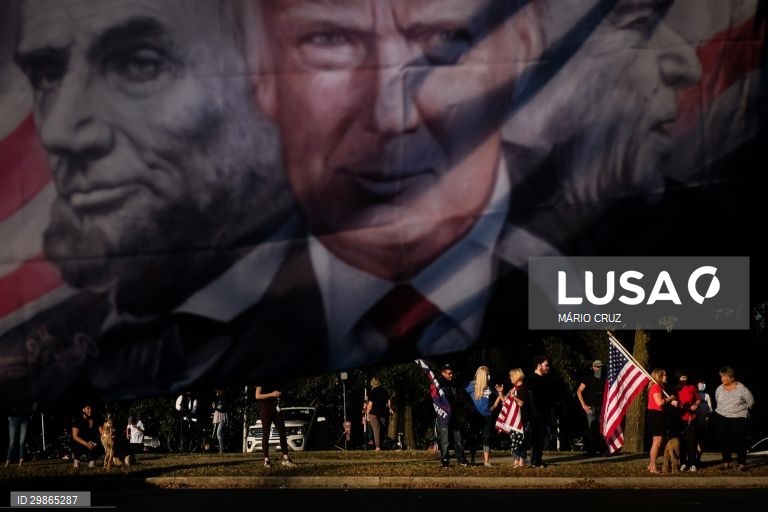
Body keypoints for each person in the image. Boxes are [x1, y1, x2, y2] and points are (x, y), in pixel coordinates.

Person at [9, 0, 300, 400]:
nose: (58, 130)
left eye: (139, 64)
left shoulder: (364, 313)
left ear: (271, 81)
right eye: (46, 74)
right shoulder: (28, 357)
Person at [248, 0, 544, 370]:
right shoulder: (178, 327)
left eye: (444, 38)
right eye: (330, 39)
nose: (390, 118)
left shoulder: (619, 255)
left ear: (525, 46)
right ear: (260, 67)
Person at [713, 366, 755, 471]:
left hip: (738, 418)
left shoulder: (742, 389)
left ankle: (741, 464)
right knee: (724, 441)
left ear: (732, 378)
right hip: (722, 417)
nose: (722, 379)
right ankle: (726, 463)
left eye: (725, 377)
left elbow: (751, 402)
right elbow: (717, 401)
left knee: (739, 441)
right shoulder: (719, 389)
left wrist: (742, 411)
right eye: (721, 377)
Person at [465, 365, 502, 467]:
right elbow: (463, 395)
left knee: (486, 437)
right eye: (487, 374)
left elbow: (499, 394)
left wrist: (494, 405)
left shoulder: (490, 385)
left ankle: (486, 460)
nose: (489, 376)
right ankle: (472, 459)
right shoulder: (472, 385)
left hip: (487, 415)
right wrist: (469, 407)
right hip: (476, 415)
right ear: (482, 375)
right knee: (474, 436)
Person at [435, 363, 470, 468]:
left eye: (451, 373)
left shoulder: (454, 384)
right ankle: (445, 459)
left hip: (455, 414)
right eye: (448, 373)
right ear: (443, 373)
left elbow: (460, 397)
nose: (451, 375)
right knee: (444, 439)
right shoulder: (438, 384)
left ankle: (461, 459)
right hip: (443, 415)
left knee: (458, 438)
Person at [254, 383, 295, 468]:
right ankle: (266, 459)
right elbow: (257, 396)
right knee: (266, 433)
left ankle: (285, 458)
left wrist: (279, 394)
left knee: (282, 431)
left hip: (276, 408)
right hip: (265, 409)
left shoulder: (277, 378)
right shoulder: (261, 380)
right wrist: (271, 394)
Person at [646, 368, 678, 474]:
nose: (666, 377)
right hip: (655, 415)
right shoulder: (656, 387)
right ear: (659, 376)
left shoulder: (657, 387)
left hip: (656, 415)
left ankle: (651, 464)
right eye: (664, 375)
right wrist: (671, 398)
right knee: (657, 442)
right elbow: (659, 402)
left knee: (658, 441)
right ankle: (653, 467)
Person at [526, 355, 553, 468]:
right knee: (536, 438)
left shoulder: (545, 380)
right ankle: (534, 461)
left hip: (543, 413)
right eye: (546, 365)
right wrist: (534, 414)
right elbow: (530, 398)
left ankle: (538, 459)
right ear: (539, 365)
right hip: (535, 414)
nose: (548, 368)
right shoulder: (531, 379)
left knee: (541, 438)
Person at [576, 360, 606, 456]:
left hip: (602, 406)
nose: (599, 368)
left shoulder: (605, 378)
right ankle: (592, 451)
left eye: (600, 366)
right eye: (597, 366)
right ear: (593, 367)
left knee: (602, 429)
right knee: (592, 428)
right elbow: (579, 391)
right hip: (591, 407)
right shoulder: (588, 378)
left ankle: (603, 450)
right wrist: (583, 405)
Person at [673, 370, 700, 472]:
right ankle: (683, 462)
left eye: (686, 377)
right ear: (678, 378)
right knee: (682, 442)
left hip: (691, 418)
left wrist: (696, 405)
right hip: (680, 418)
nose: (685, 379)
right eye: (683, 377)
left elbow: (697, 399)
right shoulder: (675, 389)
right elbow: (672, 399)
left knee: (691, 441)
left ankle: (692, 463)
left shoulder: (692, 387)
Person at [506, 368, 530, 468]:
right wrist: (501, 392)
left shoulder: (523, 388)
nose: (510, 378)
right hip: (514, 420)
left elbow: (521, 403)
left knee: (521, 441)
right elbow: (505, 401)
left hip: (522, 420)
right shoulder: (514, 389)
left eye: (511, 376)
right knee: (514, 440)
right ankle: (516, 460)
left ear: (516, 376)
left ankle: (522, 461)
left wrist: (513, 397)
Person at [70, 404, 102, 468]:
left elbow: (102, 433)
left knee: (92, 465)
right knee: (77, 446)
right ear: (83, 409)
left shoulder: (95, 419)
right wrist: (86, 444)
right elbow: (75, 436)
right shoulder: (77, 419)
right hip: (80, 442)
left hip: (91, 442)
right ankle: (77, 459)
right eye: (88, 408)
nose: (90, 410)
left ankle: (91, 459)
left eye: (91, 408)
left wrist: (96, 443)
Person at [366, 377, 392, 452]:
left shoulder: (372, 392)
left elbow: (370, 404)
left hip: (374, 413)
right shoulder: (384, 391)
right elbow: (389, 401)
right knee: (383, 429)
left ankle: (377, 447)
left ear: (372, 383)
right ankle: (383, 444)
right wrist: (390, 408)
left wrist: (367, 413)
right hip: (383, 412)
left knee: (376, 429)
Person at [6, 403, 35, 468]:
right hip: (14, 417)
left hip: (24, 417)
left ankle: (21, 459)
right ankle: (8, 460)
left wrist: (31, 414)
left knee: (22, 441)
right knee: (12, 442)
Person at [695, 379, 713, 462]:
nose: (701, 386)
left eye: (702, 385)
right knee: (694, 439)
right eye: (699, 385)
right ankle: (692, 459)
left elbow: (710, 410)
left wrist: (706, 418)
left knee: (701, 440)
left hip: (703, 421)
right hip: (694, 420)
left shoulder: (707, 396)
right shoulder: (694, 394)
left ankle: (698, 458)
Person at [211, 389, 229, 455]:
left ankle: (221, 450)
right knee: (219, 434)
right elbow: (217, 409)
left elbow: (222, 409)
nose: (216, 394)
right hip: (218, 417)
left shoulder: (224, 400)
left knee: (218, 434)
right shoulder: (218, 400)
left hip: (222, 417)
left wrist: (215, 407)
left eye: (218, 393)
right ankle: (221, 449)